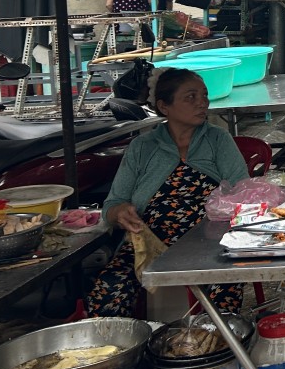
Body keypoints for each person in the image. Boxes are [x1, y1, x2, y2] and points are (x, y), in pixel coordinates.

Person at [87, 68, 248, 317]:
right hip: (149, 240)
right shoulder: (143, 147)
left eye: (204, 96)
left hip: (209, 241)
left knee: (224, 284)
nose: (202, 103)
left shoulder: (218, 139)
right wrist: (120, 213)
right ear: (164, 106)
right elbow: (112, 205)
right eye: (190, 97)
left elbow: (242, 192)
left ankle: (217, 347)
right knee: (110, 286)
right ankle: (120, 349)